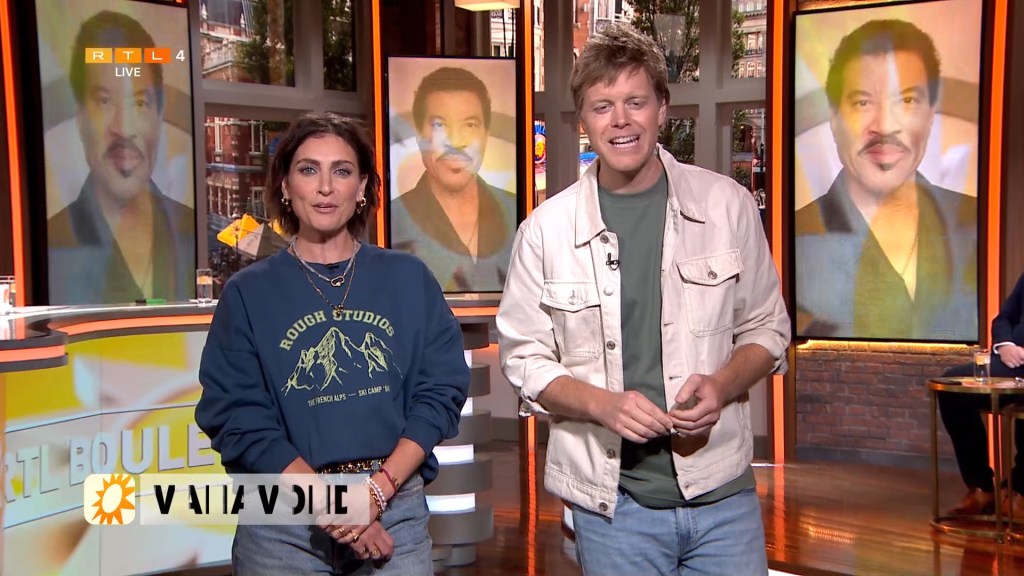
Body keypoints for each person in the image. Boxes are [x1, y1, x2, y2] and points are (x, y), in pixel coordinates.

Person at [496, 24, 790, 575]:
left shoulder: (727, 206)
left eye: (635, 102)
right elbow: (523, 358)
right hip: (613, 505)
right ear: (583, 121)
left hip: (723, 495)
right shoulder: (545, 231)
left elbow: (767, 328)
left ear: (662, 109)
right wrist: (602, 405)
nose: (620, 120)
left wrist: (722, 385)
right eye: (602, 106)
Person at [195, 113, 469, 574]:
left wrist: (376, 493)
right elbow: (237, 417)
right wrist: (337, 506)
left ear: (361, 188)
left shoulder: (409, 279)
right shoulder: (247, 294)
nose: (325, 187)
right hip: (283, 522)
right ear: (285, 186)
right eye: (308, 170)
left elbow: (439, 393)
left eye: (341, 171)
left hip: (394, 506)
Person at [794, 19, 977, 341]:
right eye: (862, 103)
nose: (885, 126)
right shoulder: (795, 236)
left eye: (907, 101)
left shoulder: (977, 223)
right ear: (834, 119)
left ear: (930, 115)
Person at [48, 10, 194, 305]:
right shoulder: (53, 241)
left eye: (139, 103)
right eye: (105, 101)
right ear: (80, 118)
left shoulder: (189, 229)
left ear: (159, 116)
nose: (124, 128)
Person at [390, 67, 516, 293]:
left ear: (486, 135)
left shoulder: (519, 215)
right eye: (439, 125)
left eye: (470, 125)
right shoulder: (392, 221)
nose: (456, 142)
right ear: (418, 136)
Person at [938, 271, 1024, 516]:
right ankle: (981, 487)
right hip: (1011, 361)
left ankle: (1019, 489)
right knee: (952, 386)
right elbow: (1004, 318)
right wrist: (1005, 346)